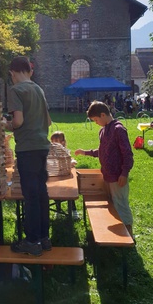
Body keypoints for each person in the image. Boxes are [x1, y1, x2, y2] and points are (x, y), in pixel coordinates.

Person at [5, 56, 51, 256]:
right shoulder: (38, 89)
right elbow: (48, 121)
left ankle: (32, 241)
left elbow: (18, 121)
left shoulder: (16, 90)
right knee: (41, 193)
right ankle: (44, 237)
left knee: (31, 196)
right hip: (42, 147)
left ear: (12, 73)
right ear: (29, 70)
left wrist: (5, 124)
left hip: (27, 149)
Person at [74, 100, 134, 238]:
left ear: (102, 115)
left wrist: (124, 173)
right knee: (112, 204)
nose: (96, 123)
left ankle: (129, 235)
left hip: (118, 177)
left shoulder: (118, 129)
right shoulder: (103, 130)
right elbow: (102, 151)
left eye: (96, 120)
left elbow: (127, 154)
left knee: (121, 204)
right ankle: (117, 235)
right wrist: (85, 152)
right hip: (107, 175)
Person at [49, 131, 80, 220]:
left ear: (62, 142)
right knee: (55, 193)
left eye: (56, 141)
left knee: (70, 192)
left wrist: (72, 162)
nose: (54, 144)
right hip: (55, 176)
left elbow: (70, 159)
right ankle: (58, 211)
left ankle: (73, 210)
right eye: (52, 142)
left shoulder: (64, 152)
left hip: (66, 176)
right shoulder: (51, 153)